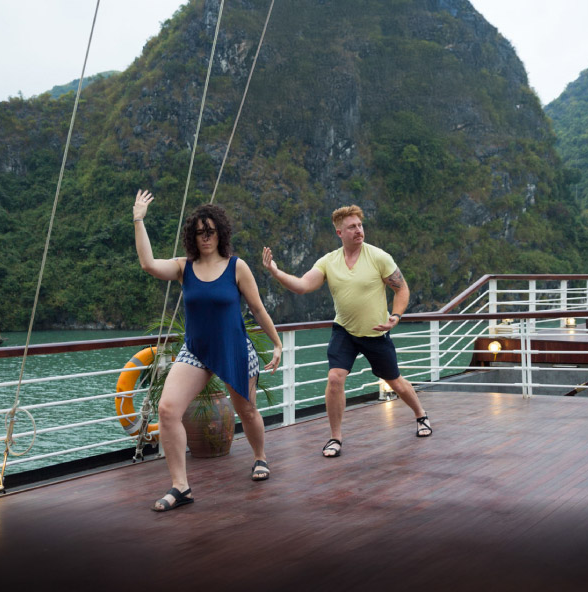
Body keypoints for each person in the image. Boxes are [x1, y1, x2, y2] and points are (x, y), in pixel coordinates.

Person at [133, 189, 282, 512]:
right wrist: (138, 219)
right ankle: (180, 486)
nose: (205, 238)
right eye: (199, 232)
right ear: (192, 236)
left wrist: (277, 342)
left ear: (221, 233)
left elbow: (257, 309)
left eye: (210, 231)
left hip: (233, 347)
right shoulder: (184, 267)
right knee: (168, 409)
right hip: (196, 350)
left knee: (247, 411)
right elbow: (148, 264)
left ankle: (260, 457)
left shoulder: (236, 267)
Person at [261, 205, 432, 458]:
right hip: (345, 331)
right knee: (334, 379)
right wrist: (275, 272)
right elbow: (302, 286)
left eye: (360, 225)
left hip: (376, 333)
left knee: (395, 381)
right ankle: (335, 438)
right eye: (352, 227)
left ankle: (421, 415)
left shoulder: (378, 257)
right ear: (339, 232)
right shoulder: (329, 261)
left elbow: (402, 289)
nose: (358, 230)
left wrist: (395, 317)